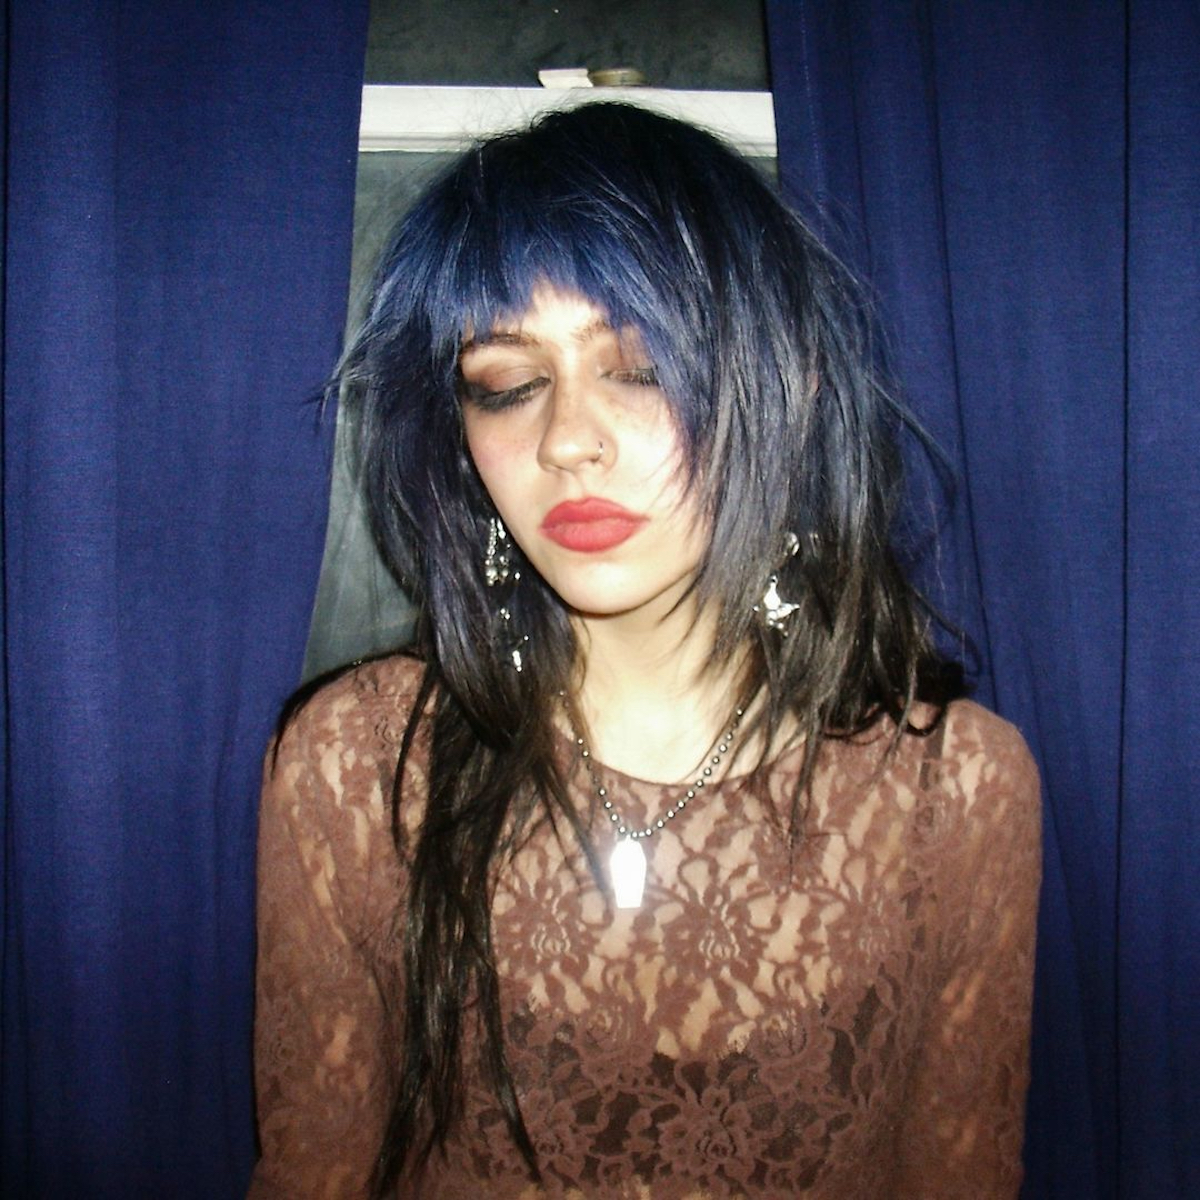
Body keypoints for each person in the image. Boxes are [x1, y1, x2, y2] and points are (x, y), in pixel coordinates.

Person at [249, 102, 1041, 1199]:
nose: (567, 440)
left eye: (640, 366)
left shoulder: (956, 791)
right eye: (506, 385)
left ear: (792, 386)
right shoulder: (358, 769)